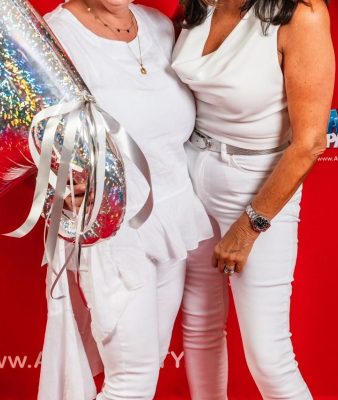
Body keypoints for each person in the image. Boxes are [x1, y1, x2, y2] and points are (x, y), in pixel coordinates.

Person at [38, 1, 214, 398]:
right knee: (132, 381)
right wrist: (57, 179)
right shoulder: (56, 35)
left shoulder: (159, 26)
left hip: (171, 218)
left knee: (147, 370)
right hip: (114, 226)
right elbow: (33, 127)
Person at [172, 0, 335, 398]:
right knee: (199, 325)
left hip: (255, 184)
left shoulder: (303, 14)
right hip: (189, 174)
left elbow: (310, 143)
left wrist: (248, 227)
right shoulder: (199, 4)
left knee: (269, 357)